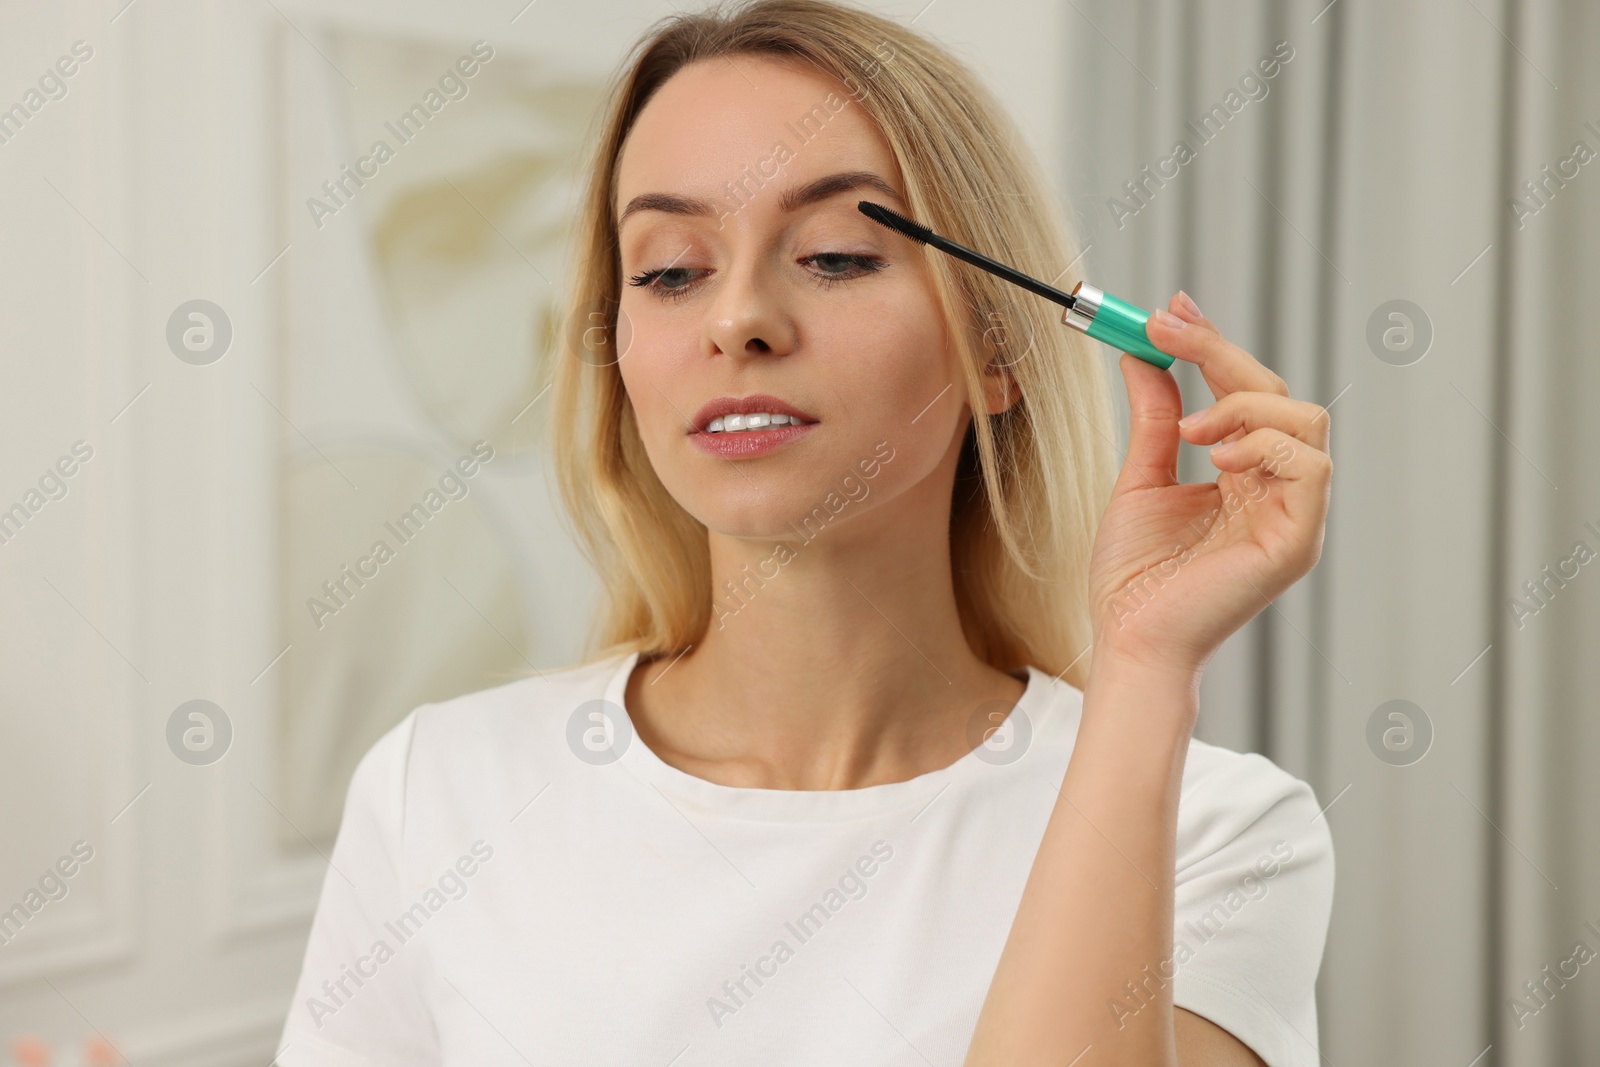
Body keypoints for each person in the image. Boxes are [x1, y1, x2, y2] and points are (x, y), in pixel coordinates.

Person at [276, 1, 1335, 1063]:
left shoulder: (1215, 830)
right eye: (671, 270)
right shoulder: (438, 789)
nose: (736, 319)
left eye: (832, 255)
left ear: (999, 349)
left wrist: (1143, 665)